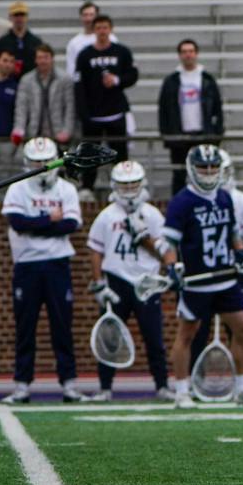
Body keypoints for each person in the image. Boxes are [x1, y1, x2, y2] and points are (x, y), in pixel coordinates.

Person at [156, 144, 243, 408]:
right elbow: (167, 242)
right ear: (191, 168)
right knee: (187, 335)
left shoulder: (224, 197)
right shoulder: (182, 201)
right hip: (197, 280)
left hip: (225, 279)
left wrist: (240, 253)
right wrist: (172, 267)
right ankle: (182, 391)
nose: (208, 172)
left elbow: (234, 233)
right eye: (203, 167)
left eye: (212, 167)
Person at [0, 135, 84, 404]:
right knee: (25, 327)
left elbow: (70, 225)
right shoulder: (17, 188)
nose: (42, 166)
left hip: (57, 263)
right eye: (36, 162)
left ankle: (68, 383)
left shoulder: (66, 189)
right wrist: (48, 220)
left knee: (62, 326)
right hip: (27, 264)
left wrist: (36, 224)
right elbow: (17, 223)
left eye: (46, 161)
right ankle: (22, 385)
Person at [84, 159, 173, 402]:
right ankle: (105, 387)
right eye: (124, 185)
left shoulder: (152, 215)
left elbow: (165, 252)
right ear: (115, 186)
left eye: (133, 184)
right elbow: (96, 251)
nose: (129, 190)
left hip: (147, 282)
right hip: (117, 280)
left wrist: (143, 236)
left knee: (154, 338)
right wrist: (99, 283)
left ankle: (162, 385)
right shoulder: (106, 216)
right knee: (110, 337)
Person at [157, 39, 222, 197]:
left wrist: (216, 133)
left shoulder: (207, 79)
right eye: (184, 52)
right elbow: (163, 109)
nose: (188, 55)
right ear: (180, 55)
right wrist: (167, 134)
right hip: (179, 136)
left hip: (203, 135)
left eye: (191, 51)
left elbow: (217, 108)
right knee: (179, 174)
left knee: (205, 173)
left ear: (196, 54)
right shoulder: (171, 81)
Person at [73, 12, 135, 176]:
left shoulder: (122, 52)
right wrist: (83, 113)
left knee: (119, 154)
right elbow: (79, 85)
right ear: (93, 30)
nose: (102, 31)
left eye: (105, 27)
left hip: (115, 113)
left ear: (111, 29)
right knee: (89, 157)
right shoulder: (85, 54)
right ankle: (88, 186)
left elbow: (132, 75)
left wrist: (117, 80)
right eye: (99, 28)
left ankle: (124, 181)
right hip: (93, 115)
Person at [9, 42, 76, 155]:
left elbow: (70, 107)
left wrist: (67, 131)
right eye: (39, 58)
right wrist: (19, 129)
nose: (43, 61)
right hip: (34, 134)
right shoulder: (26, 80)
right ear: (35, 60)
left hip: (58, 134)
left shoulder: (65, 79)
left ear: (52, 59)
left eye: (46, 57)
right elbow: (21, 107)